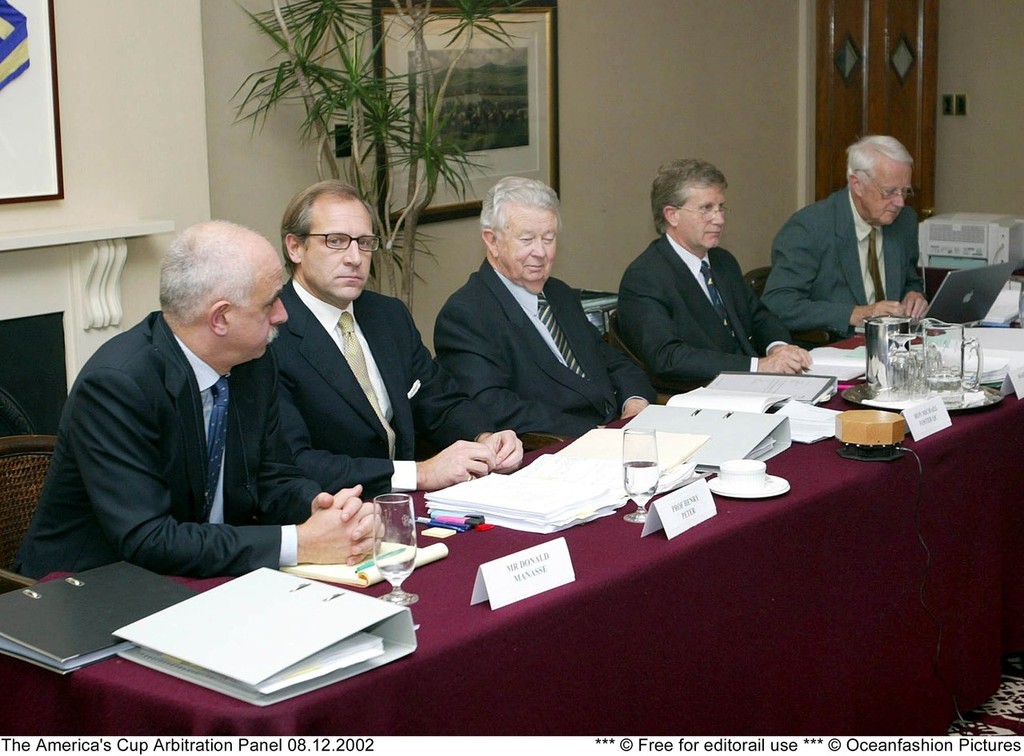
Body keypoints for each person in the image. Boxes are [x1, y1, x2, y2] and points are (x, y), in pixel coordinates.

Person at [15, 221, 378, 579]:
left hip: (210, 571)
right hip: (94, 589)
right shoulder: (118, 386)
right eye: (270, 304)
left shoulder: (254, 361)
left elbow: (272, 476)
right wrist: (299, 542)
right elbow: (147, 538)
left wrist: (318, 506)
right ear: (220, 318)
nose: (282, 314)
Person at [272, 181, 522, 498]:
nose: (355, 257)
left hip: (410, 508)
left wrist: (485, 437)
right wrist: (420, 473)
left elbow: (439, 400)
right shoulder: (269, 333)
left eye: (364, 242)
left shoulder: (388, 315)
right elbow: (296, 462)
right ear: (295, 247)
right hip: (331, 512)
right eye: (336, 241)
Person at [433, 176, 656, 438]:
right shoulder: (466, 314)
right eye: (527, 239)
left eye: (548, 238)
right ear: (492, 241)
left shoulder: (559, 294)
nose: (541, 252)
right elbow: (493, 406)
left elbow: (611, 361)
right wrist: (592, 433)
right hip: (556, 450)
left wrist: (635, 401)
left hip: (616, 435)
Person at [617, 158, 811, 385]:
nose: (719, 219)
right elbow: (668, 357)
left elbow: (759, 317)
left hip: (753, 385)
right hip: (699, 394)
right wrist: (757, 366)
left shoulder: (722, 262)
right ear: (672, 215)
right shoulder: (646, 276)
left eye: (721, 208)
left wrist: (779, 348)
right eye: (706, 209)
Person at [762, 135, 927, 341]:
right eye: (889, 191)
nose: (900, 202)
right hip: (834, 347)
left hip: (895, 346)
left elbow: (910, 281)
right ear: (857, 184)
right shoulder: (809, 227)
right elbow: (778, 304)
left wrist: (914, 296)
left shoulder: (904, 222)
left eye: (905, 191)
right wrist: (856, 314)